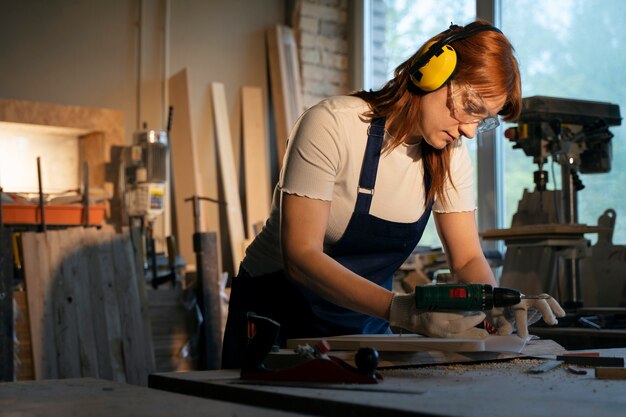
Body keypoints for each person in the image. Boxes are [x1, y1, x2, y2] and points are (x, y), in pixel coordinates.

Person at [222, 20, 565, 369]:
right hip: (273, 319)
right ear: (432, 71)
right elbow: (300, 257)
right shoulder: (332, 125)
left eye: (484, 120)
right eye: (472, 109)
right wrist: (400, 309)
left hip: (364, 325)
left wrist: (497, 304)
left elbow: (466, 261)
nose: (471, 131)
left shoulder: (450, 156)